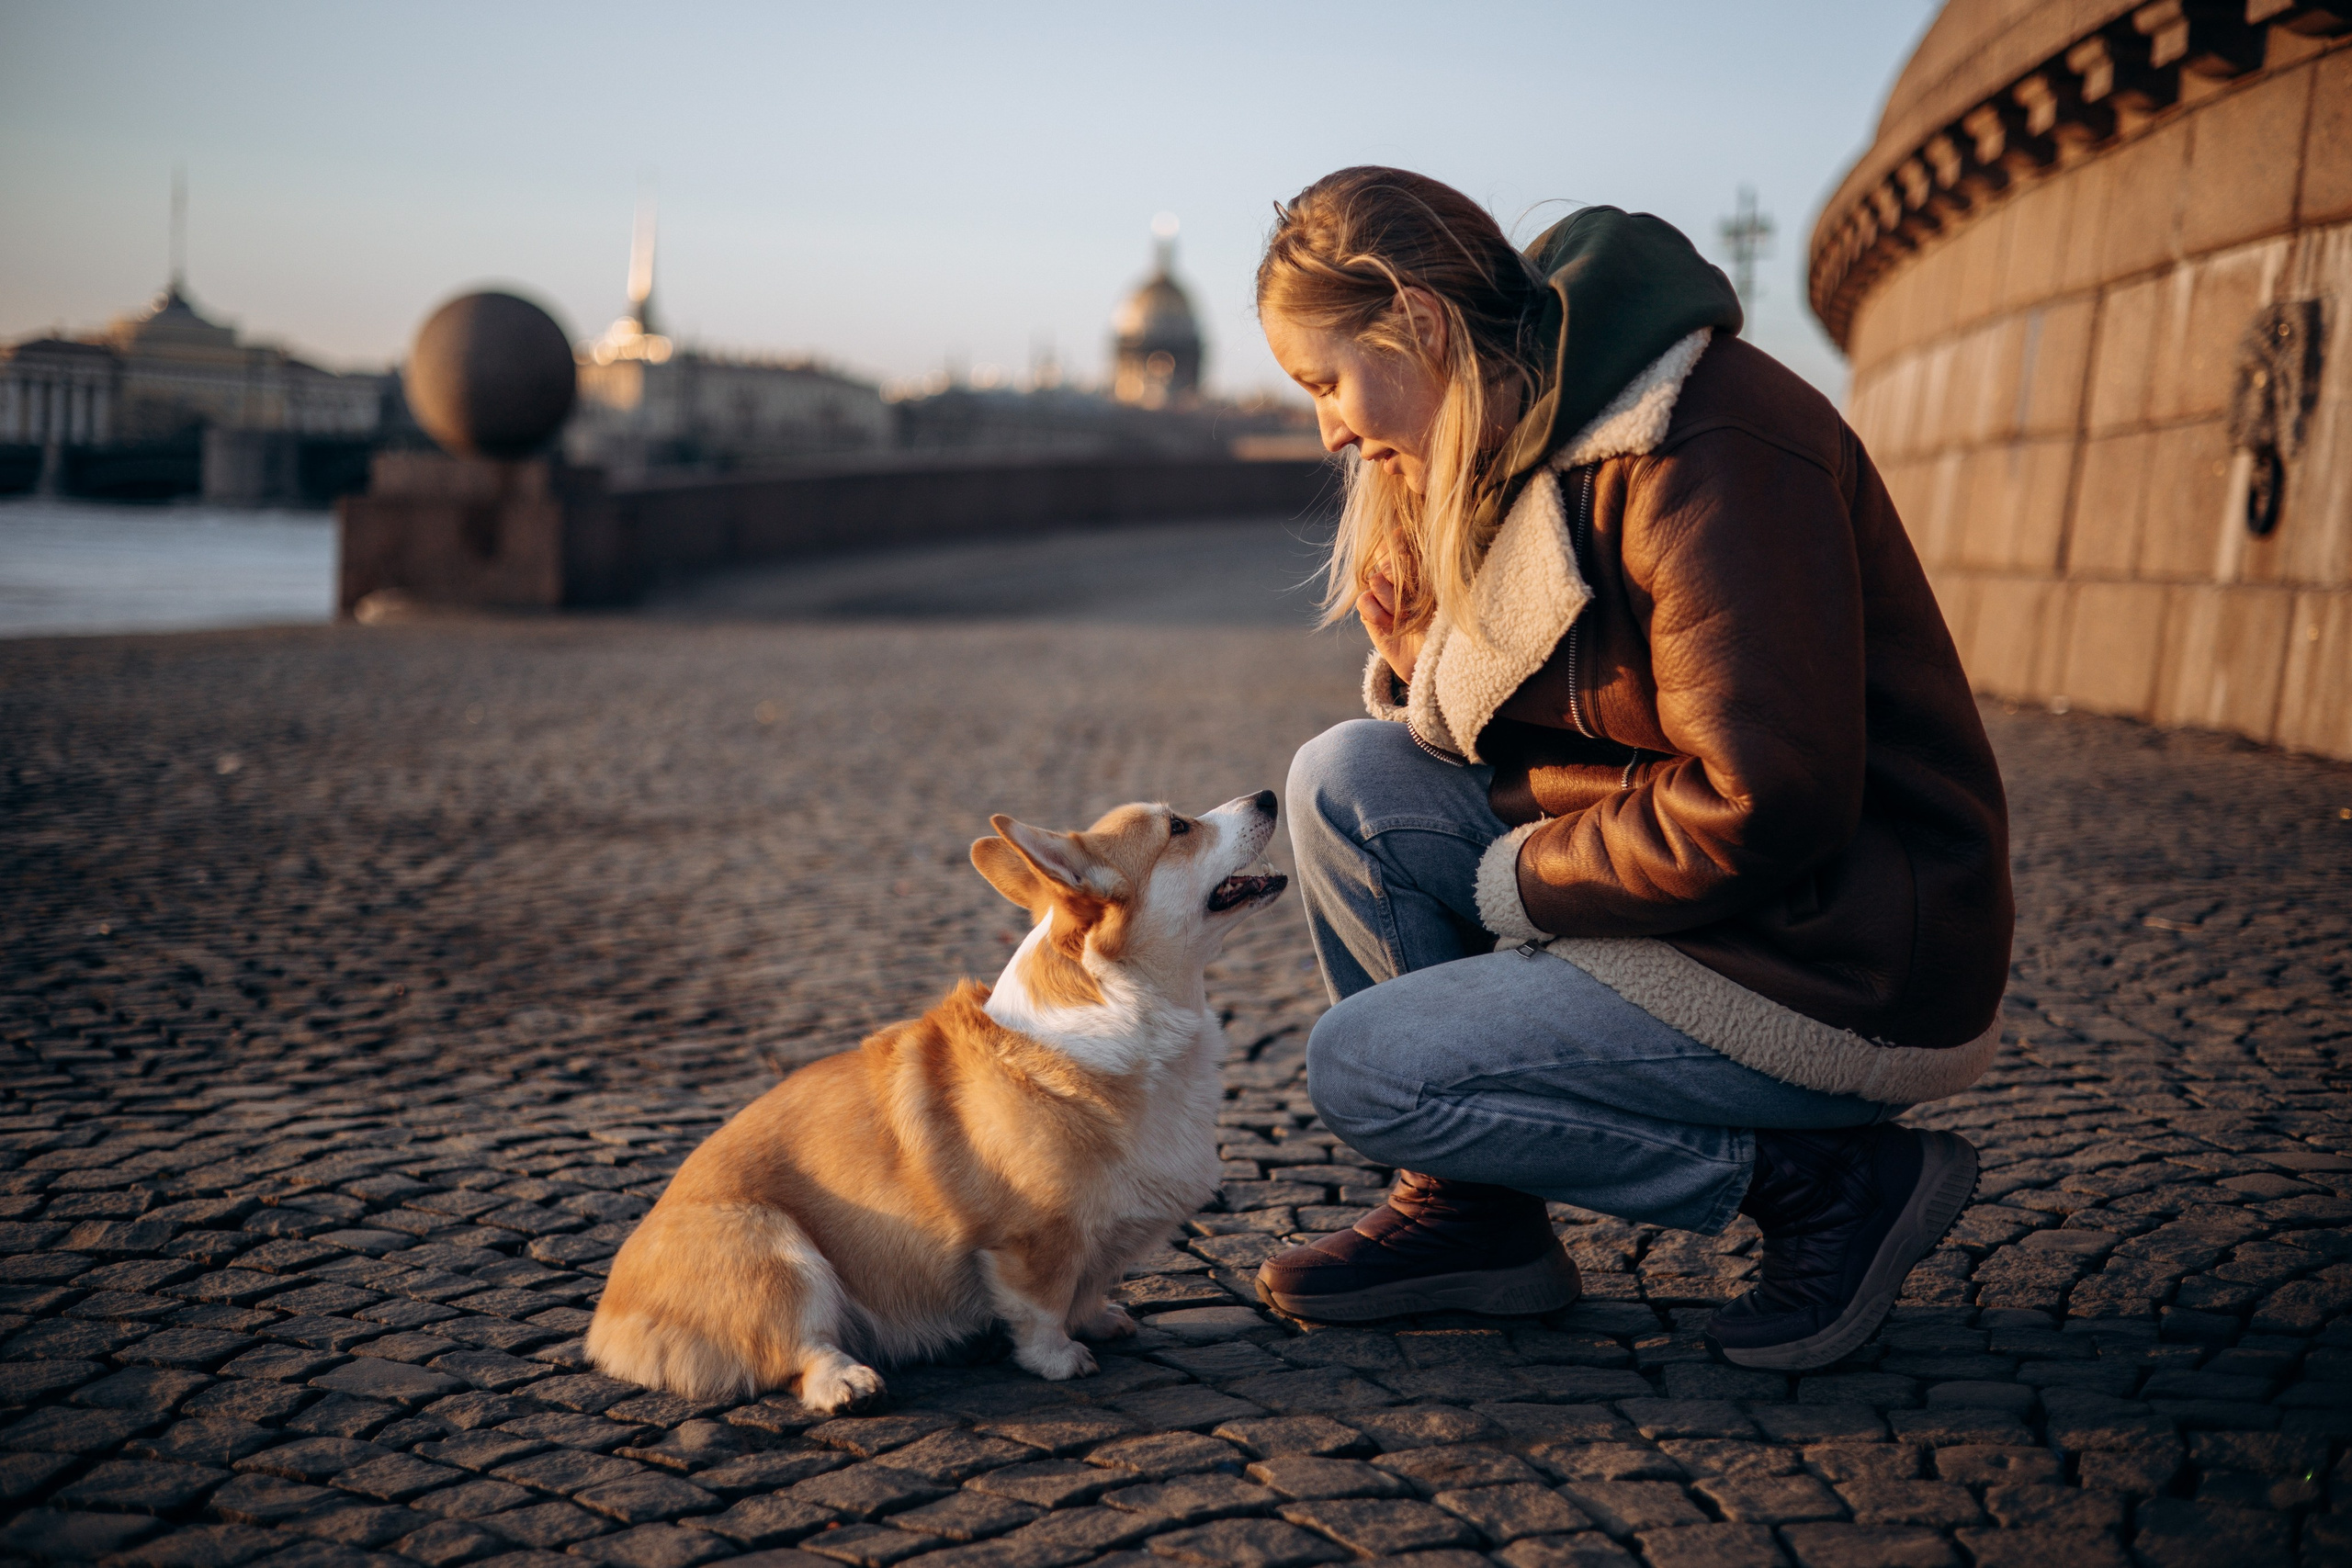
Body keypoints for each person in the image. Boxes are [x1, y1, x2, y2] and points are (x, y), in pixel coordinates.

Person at [1250, 166, 2012, 1371]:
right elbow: (1575, 719)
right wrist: (1424, 639)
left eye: (1327, 381)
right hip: (1715, 896)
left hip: (1833, 951)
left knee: (1367, 1068)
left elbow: (1768, 798)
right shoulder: (1526, 423)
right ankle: (1476, 1220)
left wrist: (1520, 886)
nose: (1330, 428)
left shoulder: (1701, 445)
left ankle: (1829, 1186)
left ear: (1425, 327)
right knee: (1348, 776)